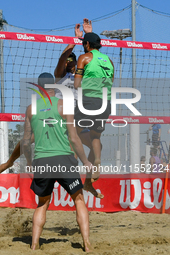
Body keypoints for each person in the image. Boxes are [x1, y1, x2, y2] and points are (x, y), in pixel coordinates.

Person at [0, 19, 93, 176]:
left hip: (77, 115)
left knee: (94, 145)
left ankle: (87, 180)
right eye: (67, 60)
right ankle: (9, 162)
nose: (68, 62)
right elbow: (62, 59)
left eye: (71, 60)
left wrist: (89, 35)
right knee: (29, 139)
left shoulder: (83, 75)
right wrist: (74, 41)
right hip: (59, 113)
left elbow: (91, 58)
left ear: (76, 62)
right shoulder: (60, 75)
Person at [20, 72, 93, 251]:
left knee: (42, 203)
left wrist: (29, 162)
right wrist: (85, 161)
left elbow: (25, 141)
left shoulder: (31, 109)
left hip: (42, 160)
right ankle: (87, 243)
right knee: (79, 199)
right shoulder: (63, 105)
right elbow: (74, 138)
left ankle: (34, 245)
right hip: (64, 158)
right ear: (54, 86)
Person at [73, 31, 114, 198]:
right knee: (95, 137)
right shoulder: (109, 61)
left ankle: (77, 168)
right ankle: (95, 166)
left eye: (84, 43)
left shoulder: (84, 58)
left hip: (88, 100)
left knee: (72, 132)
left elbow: (76, 84)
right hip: (106, 103)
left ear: (87, 45)